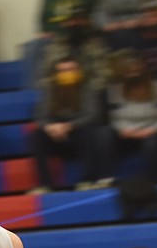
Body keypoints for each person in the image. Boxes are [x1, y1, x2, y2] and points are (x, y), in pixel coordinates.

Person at [30, 55, 107, 192]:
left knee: (88, 132)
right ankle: (46, 184)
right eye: (62, 70)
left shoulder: (87, 89)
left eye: (71, 69)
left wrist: (69, 126)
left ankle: (86, 180)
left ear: (78, 71)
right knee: (36, 136)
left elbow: (93, 115)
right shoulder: (50, 90)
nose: (66, 73)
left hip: (78, 133)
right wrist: (50, 127)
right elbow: (40, 115)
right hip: (55, 134)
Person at [102, 50, 157, 183]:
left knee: (151, 143)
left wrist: (151, 131)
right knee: (103, 135)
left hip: (154, 130)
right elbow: (114, 117)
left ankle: (153, 182)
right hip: (127, 132)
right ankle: (107, 179)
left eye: (136, 68)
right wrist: (124, 130)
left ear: (143, 68)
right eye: (128, 69)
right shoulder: (115, 89)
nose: (133, 72)